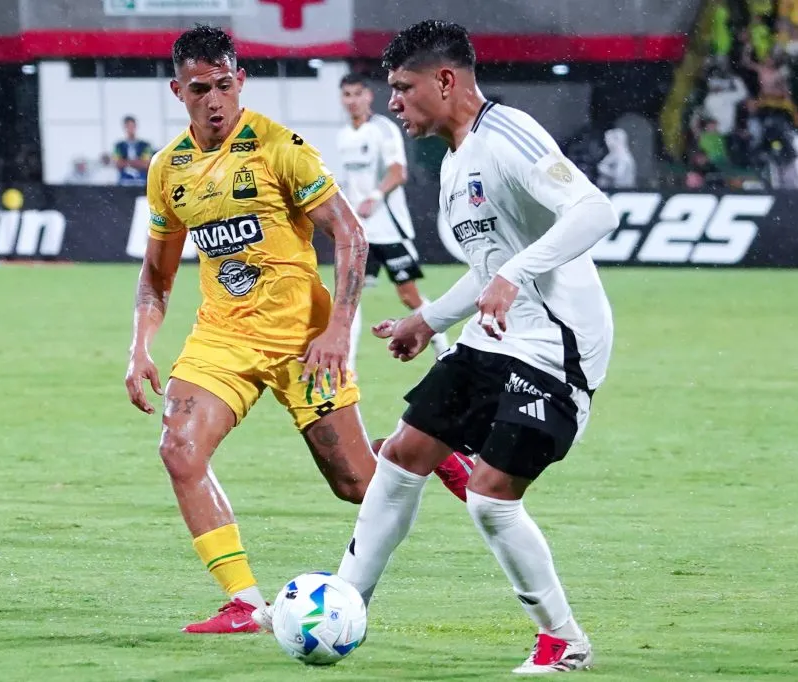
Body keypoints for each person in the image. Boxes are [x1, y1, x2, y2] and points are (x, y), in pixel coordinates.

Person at [258, 20, 618, 674]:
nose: (392, 101)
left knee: (488, 496)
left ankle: (563, 639)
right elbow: (488, 271)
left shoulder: (508, 134)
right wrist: (425, 320)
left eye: (403, 88)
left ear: (446, 80)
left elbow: (595, 212)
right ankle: (343, 606)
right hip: (498, 336)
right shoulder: (455, 163)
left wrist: (514, 275)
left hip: (557, 350)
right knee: (401, 455)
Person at [123, 24, 471, 636]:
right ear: (178, 90)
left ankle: (425, 446)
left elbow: (351, 234)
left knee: (360, 488)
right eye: (200, 87)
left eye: (225, 84)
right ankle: (244, 604)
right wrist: (140, 346)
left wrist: (337, 329)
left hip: (303, 341)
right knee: (178, 449)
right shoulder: (168, 168)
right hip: (221, 339)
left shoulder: (281, 148)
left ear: (241, 82)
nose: (214, 99)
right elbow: (157, 274)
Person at [336, 73, 450, 370]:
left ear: (368, 96)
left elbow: (398, 173)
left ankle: (443, 347)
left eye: (357, 93)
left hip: (389, 229)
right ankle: (347, 367)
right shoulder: (343, 136)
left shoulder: (384, 130)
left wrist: (374, 196)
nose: (352, 100)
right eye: (347, 95)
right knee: (351, 294)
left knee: (408, 295)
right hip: (362, 232)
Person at [113, 115, 154, 187]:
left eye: (132, 126)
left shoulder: (145, 145)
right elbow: (117, 164)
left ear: (136, 127)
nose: (130, 129)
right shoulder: (118, 145)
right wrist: (137, 162)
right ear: (124, 128)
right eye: (128, 126)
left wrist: (126, 162)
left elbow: (146, 164)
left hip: (141, 182)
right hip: (124, 182)